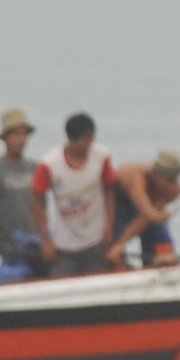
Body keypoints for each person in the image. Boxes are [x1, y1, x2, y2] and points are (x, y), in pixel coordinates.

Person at [38, 111, 116, 277]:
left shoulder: (101, 156)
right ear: (72, 139)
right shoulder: (50, 164)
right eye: (84, 140)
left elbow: (110, 189)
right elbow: (37, 200)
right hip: (64, 243)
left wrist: (109, 225)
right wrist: (46, 240)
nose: (88, 145)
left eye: (91, 139)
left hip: (96, 239)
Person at [0, 108, 48, 272]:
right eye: (16, 134)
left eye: (24, 134)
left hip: (33, 245)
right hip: (5, 246)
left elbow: (43, 207)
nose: (21, 139)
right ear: (5, 137)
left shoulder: (35, 168)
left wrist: (46, 239)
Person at [120, 149, 180, 267]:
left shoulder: (174, 190)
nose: (169, 185)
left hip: (148, 214)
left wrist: (159, 215)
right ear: (156, 174)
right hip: (119, 207)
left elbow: (148, 219)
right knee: (112, 244)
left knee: (160, 235)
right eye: (167, 179)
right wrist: (120, 244)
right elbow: (148, 214)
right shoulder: (136, 177)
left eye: (173, 179)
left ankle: (160, 264)